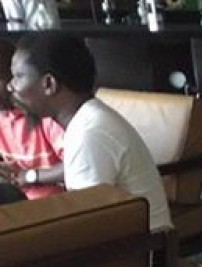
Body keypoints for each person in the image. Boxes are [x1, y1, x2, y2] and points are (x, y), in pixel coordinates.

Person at [8, 31, 171, 232]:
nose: (11, 86)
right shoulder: (85, 120)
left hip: (143, 248)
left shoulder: (89, 133)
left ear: (49, 84)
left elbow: (89, 226)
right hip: (132, 241)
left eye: (18, 76)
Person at [0, 38, 64, 200]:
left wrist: (30, 176)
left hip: (59, 204)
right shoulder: (3, 118)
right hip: (22, 203)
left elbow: (74, 165)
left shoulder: (43, 113)